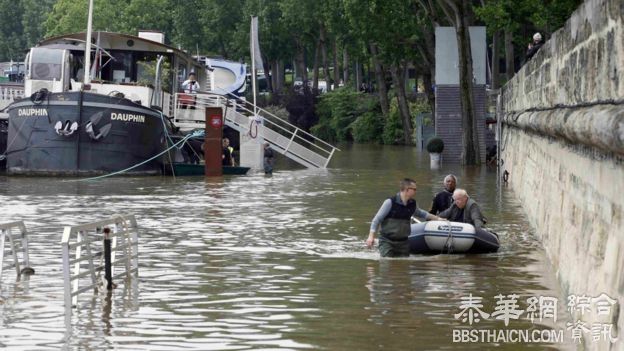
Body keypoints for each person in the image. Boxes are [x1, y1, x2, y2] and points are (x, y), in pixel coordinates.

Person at [366, 178, 442, 257]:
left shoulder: (413, 203)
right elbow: (376, 220)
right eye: (414, 189)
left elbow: (421, 213)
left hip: (403, 242)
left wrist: (438, 219)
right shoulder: (390, 202)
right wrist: (371, 237)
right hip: (387, 241)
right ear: (407, 189)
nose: (416, 191)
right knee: (387, 264)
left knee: (403, 266)